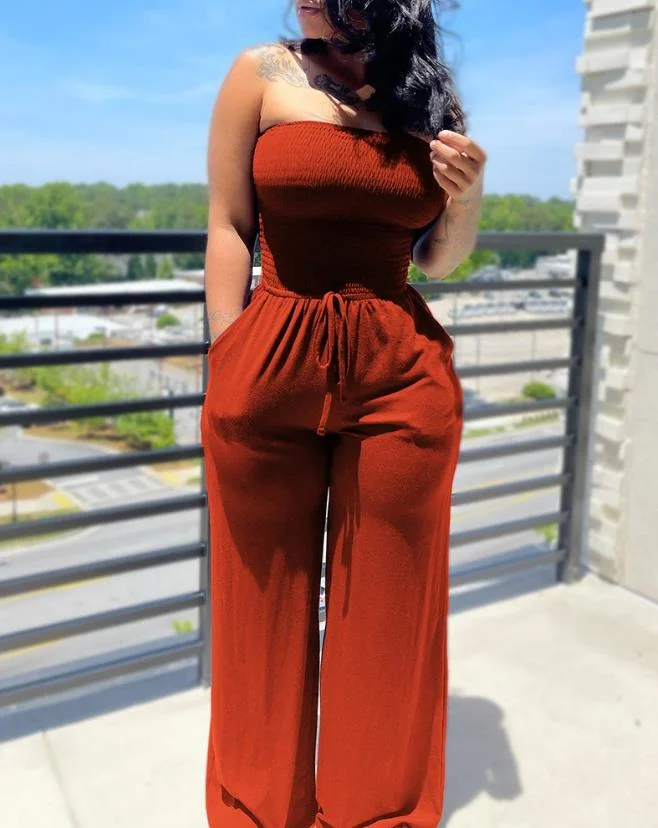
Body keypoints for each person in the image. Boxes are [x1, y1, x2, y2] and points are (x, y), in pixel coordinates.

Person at [201, 1, 486, 825]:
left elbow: (439, 259)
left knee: (389, 614)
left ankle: (373, 814)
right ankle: (259, 811)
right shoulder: (262, 72)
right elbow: (229, 224)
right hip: (269, 359)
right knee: (258, 609)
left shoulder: (428, 96)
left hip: (399, 372)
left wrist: (467, 199)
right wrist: (227, 353)